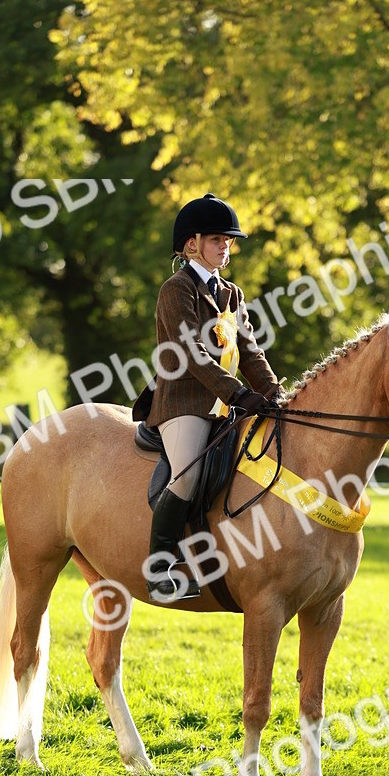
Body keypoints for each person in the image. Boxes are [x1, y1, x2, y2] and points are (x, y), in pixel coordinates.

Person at [142, 192, 283, 602]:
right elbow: (193, 354)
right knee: (187, 473)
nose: (226, 246)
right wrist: (238, 392)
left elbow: (251, 352)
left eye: (229, 240)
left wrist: (274, 393)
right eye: (217, 239)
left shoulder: (232, 294)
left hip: (225, 404)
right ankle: (159, 570)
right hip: (183, 403)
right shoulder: (177, 289)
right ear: (192, 244)